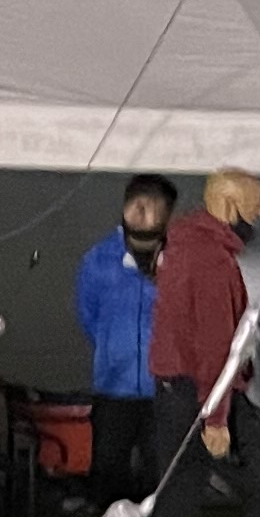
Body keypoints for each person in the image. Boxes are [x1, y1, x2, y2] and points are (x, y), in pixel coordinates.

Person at [145, 168, 260, 517]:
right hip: (209, 393)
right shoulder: (211, 261)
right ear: (228, 205)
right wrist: (217, 418)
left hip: (174, 391)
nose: (259, 214)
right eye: (254, 204)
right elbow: (213, 345)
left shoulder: (182, 246)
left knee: (174, 504)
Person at [70, 173, 172, 497]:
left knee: (160, 476)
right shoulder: (99, 260)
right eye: (139, 205)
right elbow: (88, 314)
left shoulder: (176, 260)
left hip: (163, 389)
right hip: (113, 388)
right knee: (110, 472)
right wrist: (114, 349)